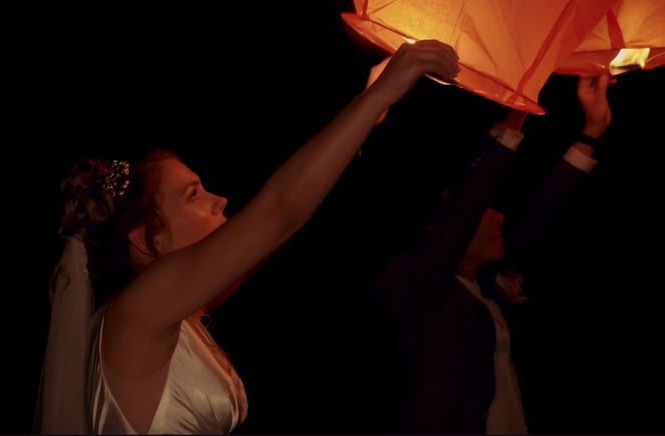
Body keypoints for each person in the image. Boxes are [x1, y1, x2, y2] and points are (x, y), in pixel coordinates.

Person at [32, 40, 461, 435]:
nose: (220, 200)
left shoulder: (171, 316)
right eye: (193, 195)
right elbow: (278, 214)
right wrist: (377, 97)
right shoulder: (137, 310)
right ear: (147, 238)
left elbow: (281, 227)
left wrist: (367, 116)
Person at [366, 73, 614, 434]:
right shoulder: (417, 289)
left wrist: (590, 133)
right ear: (441, 228)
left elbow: (540, 211)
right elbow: (467, 205)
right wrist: (515, 106)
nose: (498, 215)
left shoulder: (484, 287)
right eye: (481, 212)